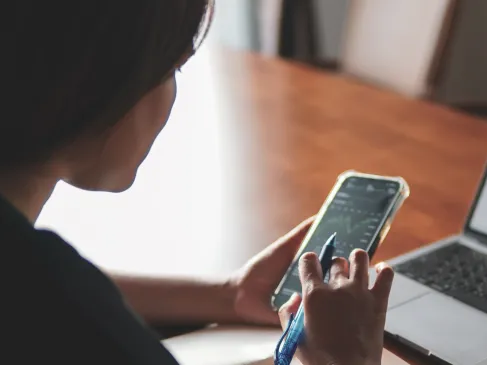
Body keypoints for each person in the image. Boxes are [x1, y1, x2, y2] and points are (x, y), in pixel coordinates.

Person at [2, 2, 395, 365]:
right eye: (172, 68)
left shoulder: (32, 273)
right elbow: (64, 302)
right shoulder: (82, 320)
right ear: (102, 76)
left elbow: (41, 293)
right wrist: (347, 357)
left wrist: (228, 295)